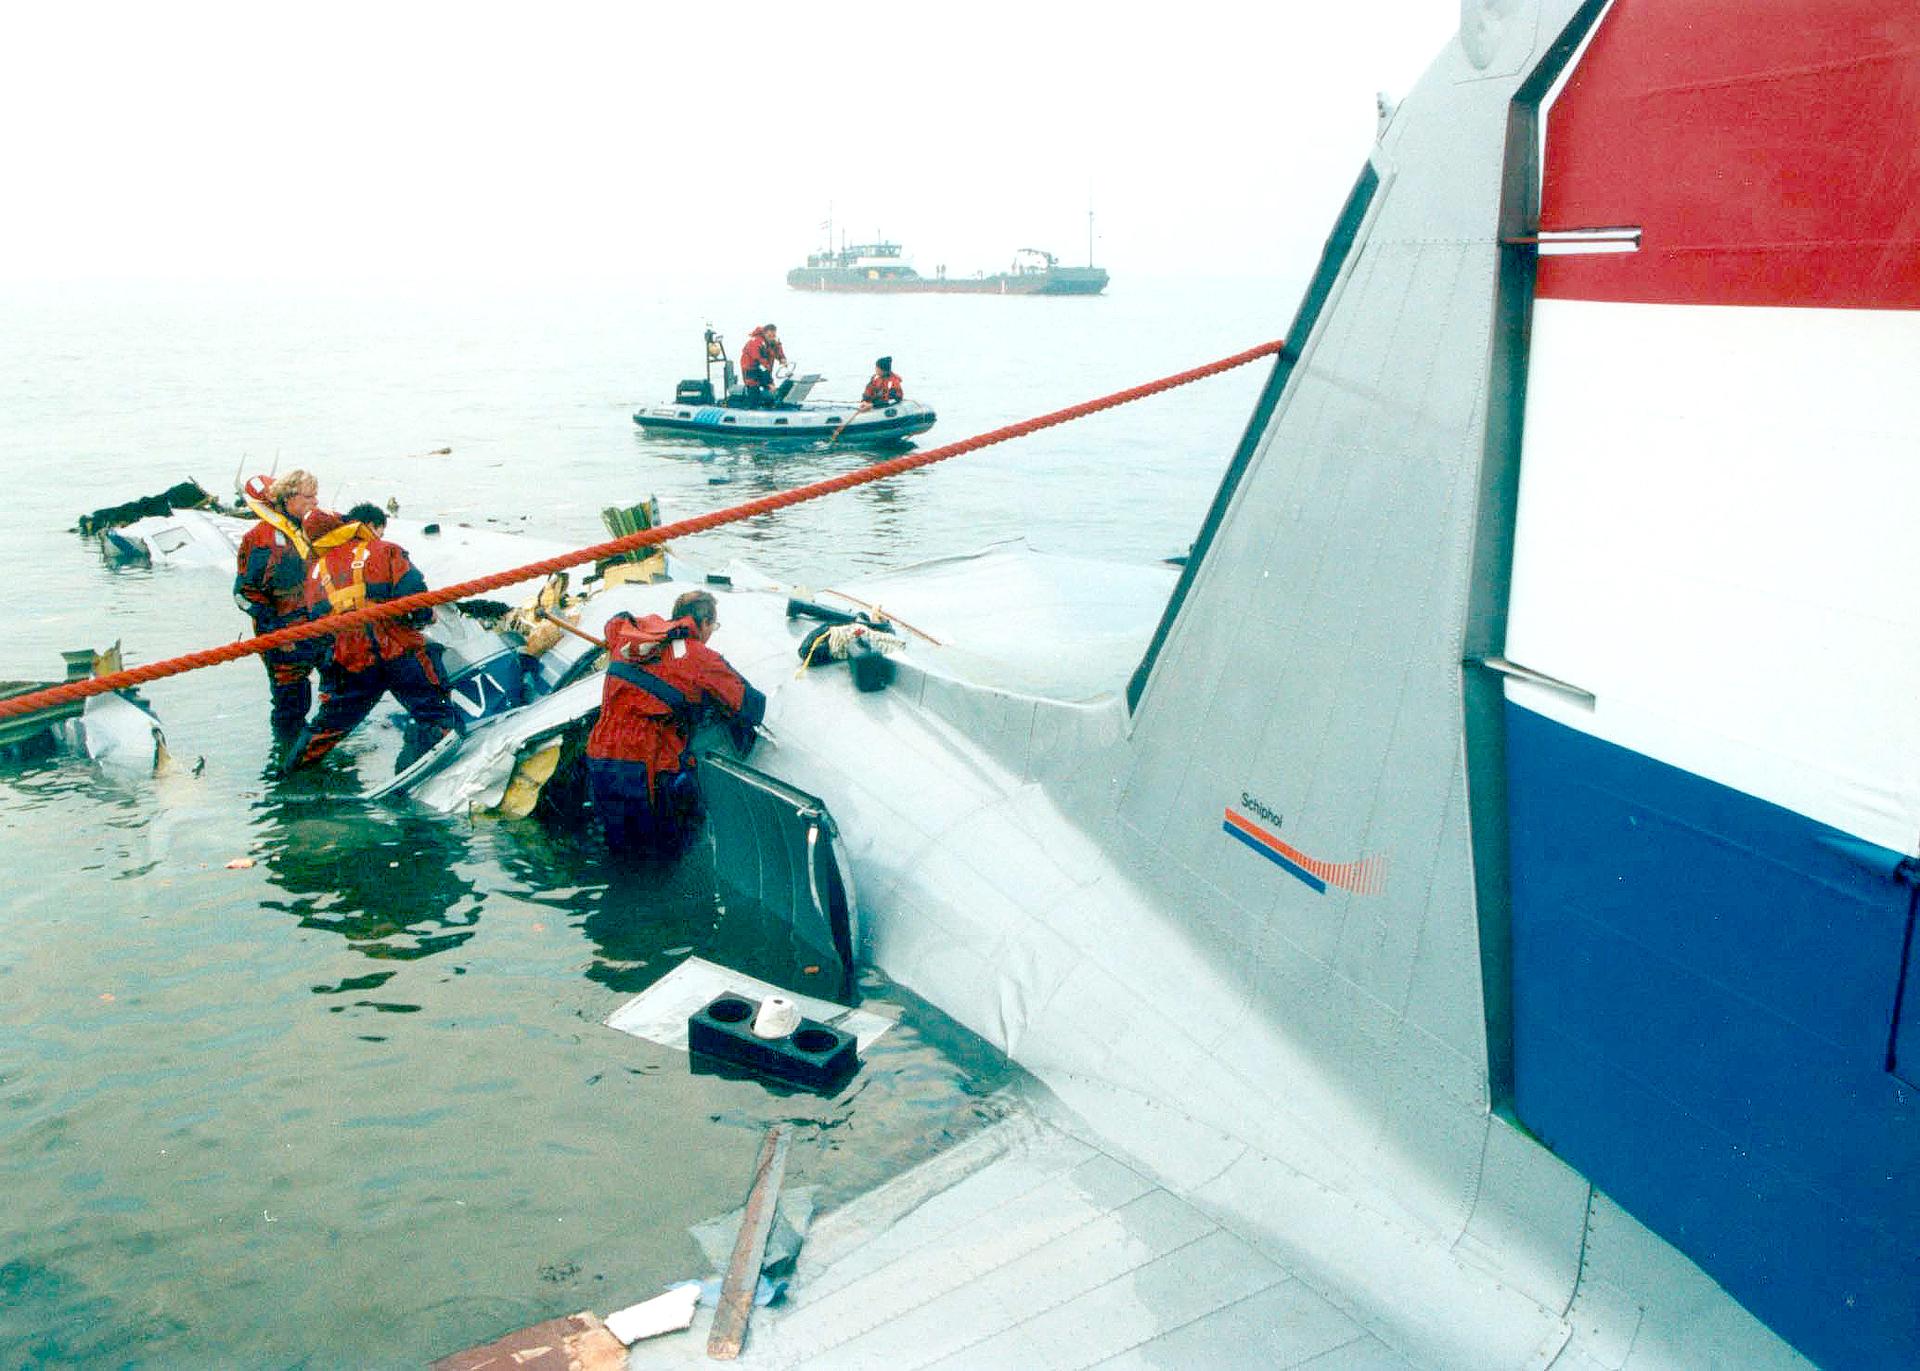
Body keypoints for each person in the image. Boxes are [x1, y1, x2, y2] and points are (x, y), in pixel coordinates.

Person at [585, 589, 765, 859]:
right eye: (712, 626)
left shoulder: (629, 635)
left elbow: (613, 622)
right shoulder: (700, 657)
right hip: (642, 763)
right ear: (703, 624)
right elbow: (751, 706)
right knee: (655, 854)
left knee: (618, 846)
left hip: (599, 753)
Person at [282, 503, 459, 773]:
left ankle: (290, 777)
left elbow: (315, 631)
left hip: (353, 664)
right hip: (401, 652)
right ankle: (419, 768)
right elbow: (413, 594)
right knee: (435, 714)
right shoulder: (385, 549)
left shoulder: (314, 575)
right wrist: (424, 618)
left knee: (326, 729)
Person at [234, 469, 324, 747]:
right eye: (309, 497)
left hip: (316, 624)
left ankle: (319, 744)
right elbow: (244, 594)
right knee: (291, 703)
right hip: (282, 633)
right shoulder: (263, 540)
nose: (315, 502)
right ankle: (286, 763)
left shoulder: (306, 530)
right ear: (289, 498)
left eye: (316, 496)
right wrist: (276, 633)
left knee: (344, 680)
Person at [738, 323, 789, 407]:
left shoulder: (772, 342)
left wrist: (782, 358)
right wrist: (769, 382)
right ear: (765, 334)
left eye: (774, 335)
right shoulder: (755, 344)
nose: (772, 337)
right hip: (752, 370)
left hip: (764, 369)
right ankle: (752, 408)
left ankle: (770, 405)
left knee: (769, 390)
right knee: (754, 389)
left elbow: (777, 350)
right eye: (770, 335)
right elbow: (760, 363)